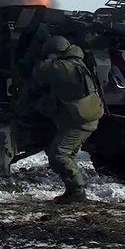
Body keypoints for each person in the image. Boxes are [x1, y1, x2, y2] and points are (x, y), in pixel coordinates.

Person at [26, 35, 104, 203]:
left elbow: (39, 70)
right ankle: (73, 190)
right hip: (84, 118)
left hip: (80, 122)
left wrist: (38, 56)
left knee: (58, 155)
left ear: (56, 53)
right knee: (67, 155)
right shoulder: (78, 64)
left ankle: (77, 191)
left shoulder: (63, 67)